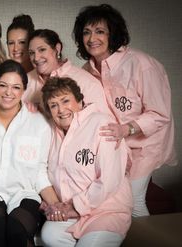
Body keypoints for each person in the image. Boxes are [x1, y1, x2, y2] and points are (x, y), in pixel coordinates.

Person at [72, 3, 176, 217]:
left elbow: (160, 113)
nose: (92, 38)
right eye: (87, 32)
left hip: (145, 145)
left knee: (133, 201)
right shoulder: (87, 70)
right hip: (115, 148)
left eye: (100, 31)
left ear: (113, 34)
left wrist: (125, 129)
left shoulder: (141, 64)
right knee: (113, 200)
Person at [0, 60, 59, 247]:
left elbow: (39, 172)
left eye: (16, 87)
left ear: (24, 90)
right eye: (3, 85)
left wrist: (57, 205)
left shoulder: (39, 124)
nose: (9, 93)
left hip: (25, 194)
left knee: (17, 234)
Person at [40, 77, 132, 247]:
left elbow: (109, 180)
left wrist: (74, 207)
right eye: (53, 105)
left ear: (80, 101)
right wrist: (51, 204)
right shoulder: (53, 133)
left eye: (65, 101)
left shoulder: (102, 124)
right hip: (72, 212)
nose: (61, 110)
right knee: (49, 236)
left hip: (106, 211)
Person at [23, 29, 110, 116]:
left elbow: (102, 124)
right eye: (31, 53)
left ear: (57, 48)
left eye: (42, 50)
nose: (36, 58)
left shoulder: (87, 82)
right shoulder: (24, 81)